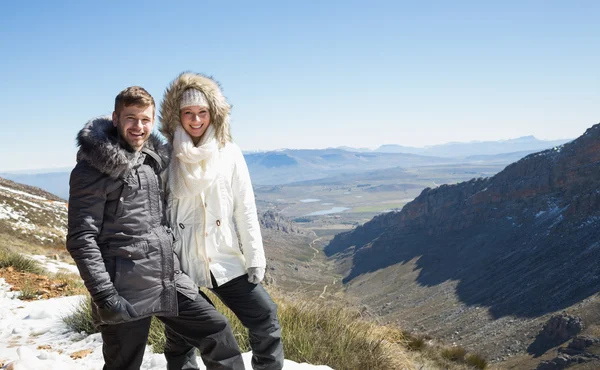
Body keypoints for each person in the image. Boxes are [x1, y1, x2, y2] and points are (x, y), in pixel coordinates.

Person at [66, 86, 245, 370]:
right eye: (131, 118)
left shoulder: (152, 159)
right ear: (115, 118)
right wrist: (105, 297)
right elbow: (81, 239)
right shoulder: (91, 169)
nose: (139, 126)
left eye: (145, 119)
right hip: (124, 289)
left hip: (166, 279)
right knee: (124, 365)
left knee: (216, 330)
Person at [159, 72, 284, 370]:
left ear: (214, 114)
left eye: (202, 112)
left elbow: (245, 208)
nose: (196, 119)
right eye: (188, 113)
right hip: (182, 263)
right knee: (180, 338)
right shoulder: (165, 156)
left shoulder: (230, 153)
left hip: (224, 259)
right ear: (177, 116)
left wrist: (255, 257)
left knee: (265, 316)